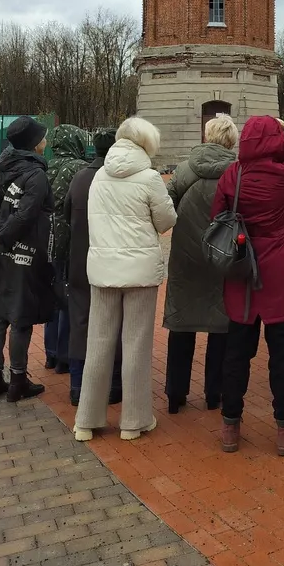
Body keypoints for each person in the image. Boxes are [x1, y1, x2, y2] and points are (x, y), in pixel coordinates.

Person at [214, 116, 284, 457]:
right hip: (280, 275)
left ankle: (230, 425)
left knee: (236, 354)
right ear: (276, 140)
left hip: (242, 274)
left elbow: (217, 216)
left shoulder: (233, 175)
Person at [73, 116, 176, 442]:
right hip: (140, 273)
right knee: (136, 346)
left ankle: (86, 421)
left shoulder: (99, 177)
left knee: (98, 344)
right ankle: (134, 421)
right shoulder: (149, 178)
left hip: (103, 269)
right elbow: (166, 221)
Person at [0, 116, 55, 403]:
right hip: (23, 254)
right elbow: (26, 215)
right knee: (20, 316)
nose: (46, 140)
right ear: (34, 142)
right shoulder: (36, 174)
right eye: (42, 136)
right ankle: (18, 380)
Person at [163, 114, 238, 414]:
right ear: (231, 140)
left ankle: (175, 395)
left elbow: (166, 206)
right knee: (221, 326)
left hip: (186, 258)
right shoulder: (238, 172)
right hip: (224, 256)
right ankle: (213, 393)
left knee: (181, 324)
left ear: (206, 137)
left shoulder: (184, 170)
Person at [64, 127, 121, 407]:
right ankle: (113, 385)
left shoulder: (80, 178)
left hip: (80, 261)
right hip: (112, 261)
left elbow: (65, 215)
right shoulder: (121, 179)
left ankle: (77, 386)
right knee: (115, 321)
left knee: (81, 321)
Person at [44, 124, 89, 374]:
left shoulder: (45, 165)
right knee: (69, 298)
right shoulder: (78, 167)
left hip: (45, 240)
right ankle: (64, 354)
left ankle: (50, 353)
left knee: (52, 295)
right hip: (69, 240)